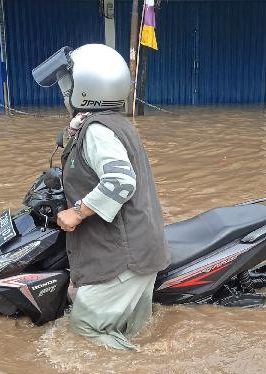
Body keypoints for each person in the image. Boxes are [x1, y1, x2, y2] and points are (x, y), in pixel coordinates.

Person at [31, 44, 171, 350]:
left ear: (86, 89)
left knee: (84, 331)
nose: (64, 94)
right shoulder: (111, 123)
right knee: (134, 333)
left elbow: (120, 182)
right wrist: (73, 131)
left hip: (124, 256)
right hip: (141, 246)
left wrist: (77, 211)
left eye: (68, 87)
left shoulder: (98, 131)